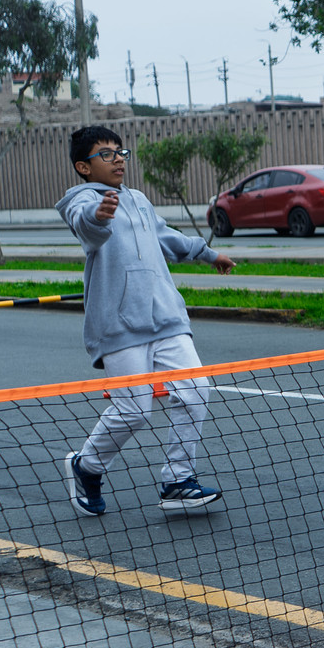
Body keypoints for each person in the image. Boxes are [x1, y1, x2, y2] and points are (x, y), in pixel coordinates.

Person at [56, 126, 236, 517]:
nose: (118, 159)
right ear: (83, 167)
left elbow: (166, 237)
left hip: (167, 318)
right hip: (119, 327)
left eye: (120, 152)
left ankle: (177, 480)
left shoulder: (137, 199)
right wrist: (98, 215)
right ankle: (87, 467)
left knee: (195, 391)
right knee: (133, 411)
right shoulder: (81, 201)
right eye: (106, 154)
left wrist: (208, 254)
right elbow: (87, 226)